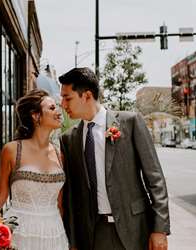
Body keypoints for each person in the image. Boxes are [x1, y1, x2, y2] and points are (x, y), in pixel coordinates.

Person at [58, 67, 170, 250]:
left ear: (86, 96)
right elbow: (72, 195)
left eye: (67, 97)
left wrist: (160, 229)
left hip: (134, 229)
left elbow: (155, 179)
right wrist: (73, 240)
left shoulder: (130, 122)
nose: (63, 104)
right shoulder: (68, 139)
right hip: (93, 234)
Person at [0, 89, 69, 250]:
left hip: (54, 234)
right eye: (52, 108)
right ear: (35, 115)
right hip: (19, 232)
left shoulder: (60, 155)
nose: (59, 112)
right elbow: (0, 195)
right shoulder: (12, 150)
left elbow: (60, 204)